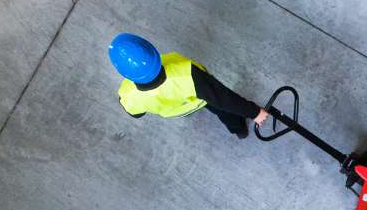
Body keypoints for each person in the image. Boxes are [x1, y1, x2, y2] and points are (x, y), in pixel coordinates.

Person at [109, 33, 269, 138]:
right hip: (200, 99)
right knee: (222, 109)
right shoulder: (187, 75)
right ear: (153, 52)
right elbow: (223, 97)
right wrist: (254, 112)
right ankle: (239, 129)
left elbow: (136, 114)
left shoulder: (128, 96)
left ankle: (239, 131)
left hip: (177, 110)